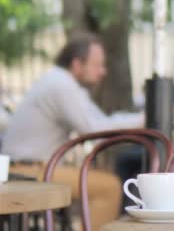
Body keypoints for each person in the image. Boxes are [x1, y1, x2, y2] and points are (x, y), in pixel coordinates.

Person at [2, 34, 144, 230]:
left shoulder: (60, 82)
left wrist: (139, 120)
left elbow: (99, 121)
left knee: (107, 179)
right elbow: (93, 128)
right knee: (109, 187)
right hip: (27, 171)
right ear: (77, 65)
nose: (103, 72)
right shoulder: (61, 85)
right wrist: (144, 120)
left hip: (27, 167)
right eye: (97, 65)